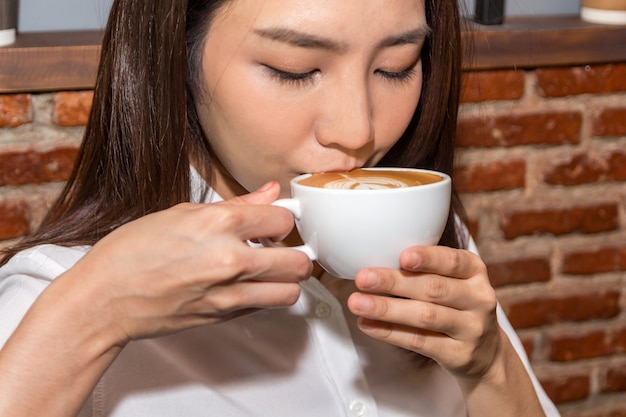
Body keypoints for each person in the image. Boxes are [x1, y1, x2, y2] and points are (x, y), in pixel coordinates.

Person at [0, 1, 560, 416]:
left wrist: (489, 368)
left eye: (396, 65)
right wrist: (90, 317)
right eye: (295, 69)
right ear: (176, 60)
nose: (357, 131)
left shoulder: (421, 232)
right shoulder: (55, 291)